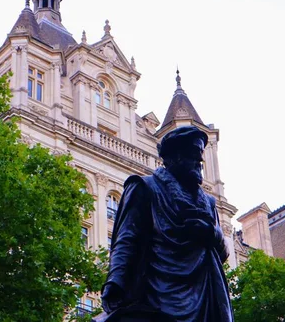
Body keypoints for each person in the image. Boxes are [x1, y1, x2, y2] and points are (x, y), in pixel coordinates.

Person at [98, 126, 233, 322]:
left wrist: (212, 233)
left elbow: (222, 253)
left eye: (201, 155)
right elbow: (127, 239)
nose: (200, 161)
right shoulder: (145, 187)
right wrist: (115, 281)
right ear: (176, 156)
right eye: (194, 154)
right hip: (159, 292)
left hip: (204, 295)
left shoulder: (208, 202)